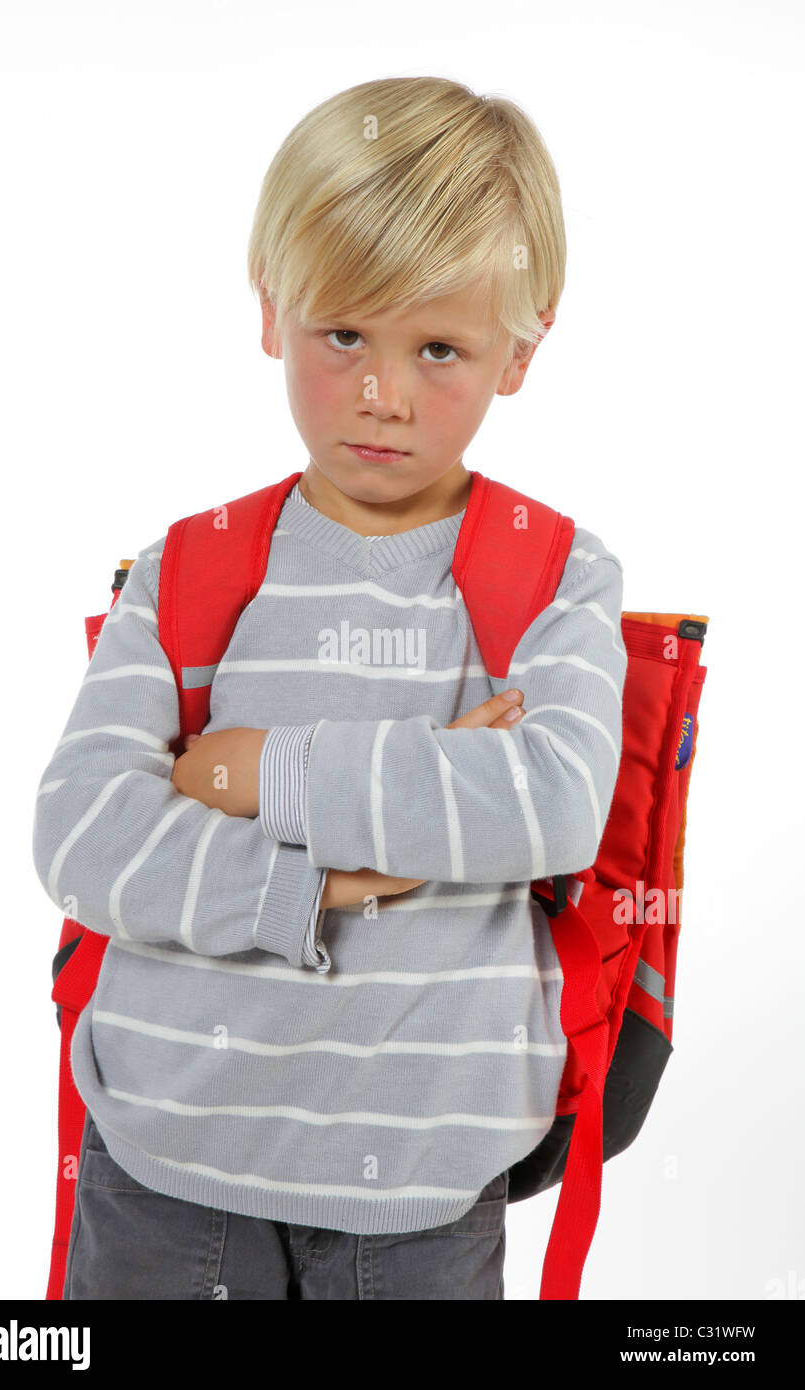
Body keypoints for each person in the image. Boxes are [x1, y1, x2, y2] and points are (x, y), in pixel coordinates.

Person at [32, 74, 626, 1300]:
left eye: (439, 348)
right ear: (270, 310)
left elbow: (554, 801)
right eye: (342, 333)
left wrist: (255, 769)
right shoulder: (190, 569)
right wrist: (343, 877)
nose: (382, 393)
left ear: (522, 349)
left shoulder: (552, 573)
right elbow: (83, 829)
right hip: (163, 1163)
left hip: (421, 1190)